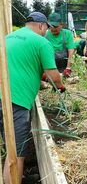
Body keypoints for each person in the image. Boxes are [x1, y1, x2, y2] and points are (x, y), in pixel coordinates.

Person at [1, 12, 65, 183]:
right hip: (15, 102)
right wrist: (60, 86)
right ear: (41, 25)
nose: (47, 32)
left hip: (3, 96)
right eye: (46, 28)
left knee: (8, 146)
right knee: (16, 154)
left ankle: (18, 177)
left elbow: (24, 67)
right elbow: (53, 76)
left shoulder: (7, 37)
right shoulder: (42, 42)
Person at [46, 12, 75, 76]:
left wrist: (68, 67)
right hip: (51, 66)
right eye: (51, 26)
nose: (53, 28)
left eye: (55, 26)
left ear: (61, 25)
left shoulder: (67, 34)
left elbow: (71, 51)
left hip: (64, 65)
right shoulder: (45, 35)